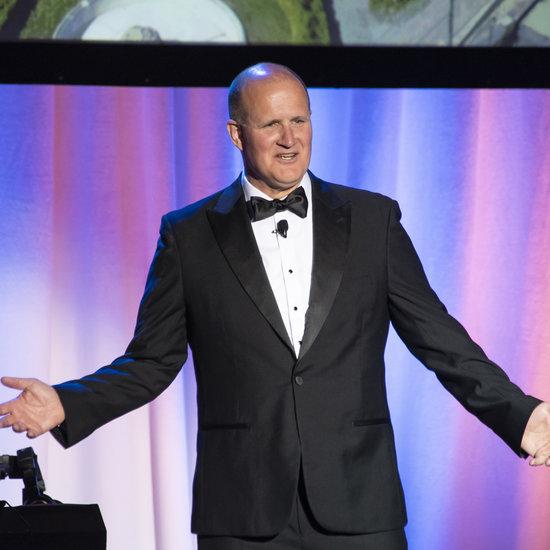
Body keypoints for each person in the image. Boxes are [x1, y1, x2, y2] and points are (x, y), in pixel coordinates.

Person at [1, 63, 549, 549]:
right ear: (236, 134)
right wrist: (67, 404)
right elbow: (151, 360)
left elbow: (439, 338)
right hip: (242, 510)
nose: (290, 140)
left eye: (300, 121)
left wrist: (520, 416)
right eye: (270, 125)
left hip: (360, 506)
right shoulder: (188, 235)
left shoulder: (372, 220)